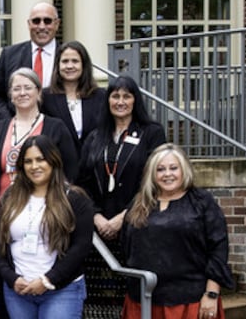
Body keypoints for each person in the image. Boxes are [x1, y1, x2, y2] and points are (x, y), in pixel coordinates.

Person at [75, 74, 166, 314]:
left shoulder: (151, 133)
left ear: (136, 100)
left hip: (137, 224)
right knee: (100, 301)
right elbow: (81, 183)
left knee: (132, 293)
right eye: (115, 96)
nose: (120, 101)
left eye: (127, 96)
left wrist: (123, 217)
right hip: (99, 230)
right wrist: (95, 216)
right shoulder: (95, 137)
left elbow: (155, 182)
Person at [121, 143, 234, 319]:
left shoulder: (202, 202)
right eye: (160, 169)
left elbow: (218, 249)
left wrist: (212, 294)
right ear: (152, 173)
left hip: (190, 301)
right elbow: (126, 245)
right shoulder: (140, 203)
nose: (167, 174)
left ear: (184, 170)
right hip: (143, 300)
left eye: (174, 168)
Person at [0, 135, 94, 319]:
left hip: (61, 290)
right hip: (19, 291)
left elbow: (81, 246)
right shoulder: (9, 197)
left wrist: (48, 280)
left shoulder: (74, 199)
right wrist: (11, 278)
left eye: (40, 159)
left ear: (53, 161)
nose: (34, 166)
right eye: (28, 161)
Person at [0, 68, 78, 210]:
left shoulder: (56, 128)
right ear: (10, 95)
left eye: (28, 88)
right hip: (1, 210)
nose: (22, 93)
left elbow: (70, 173)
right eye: (16, 89)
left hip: (44, 211)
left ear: (39, 92)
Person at [0, 2, 60, 123]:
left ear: (57, 24)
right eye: (36, 21)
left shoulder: (68, 57)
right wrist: (10, 123)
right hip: (17, 130)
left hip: (57, 130)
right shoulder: (9, 55)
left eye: (47, 21)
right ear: (29, 24)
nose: (42, 26)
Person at [40, 40, 106, 152]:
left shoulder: (100, 95)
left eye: (75, 61)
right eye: (65, 61)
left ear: (84, 65)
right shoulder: (46, 97)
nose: (69, 66)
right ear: (58, 65)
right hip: (60, 164)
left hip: (92, 163)